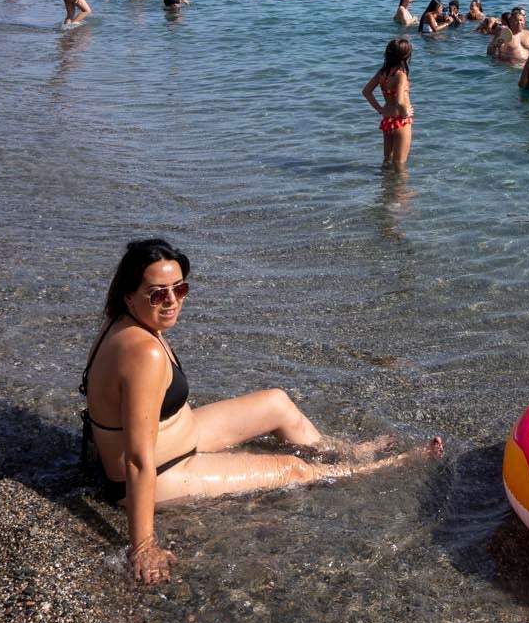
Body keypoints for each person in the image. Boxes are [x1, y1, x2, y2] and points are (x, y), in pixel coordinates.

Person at [81, 239, 440, 584]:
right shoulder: (144, 352)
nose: (172, 301)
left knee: (276, 403)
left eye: (180, 289)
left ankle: (349, 451)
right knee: (293, 469)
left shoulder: (126, 321)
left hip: (179, 435)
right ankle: (379, 467)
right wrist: (143, 547)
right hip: (163, 471)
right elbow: (138, 460)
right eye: (158, 294)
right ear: (129, 295)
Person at [363, 38, 413, 168]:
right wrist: (405, 114)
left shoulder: (383, 72)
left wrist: (380, 109)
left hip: (387, 121)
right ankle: (400, 183)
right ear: (405, 56)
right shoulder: (400, 75)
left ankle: (385, 181)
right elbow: (399, 101)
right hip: (400, 121)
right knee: (400, 165)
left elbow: (366, 91)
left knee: (387, 161)